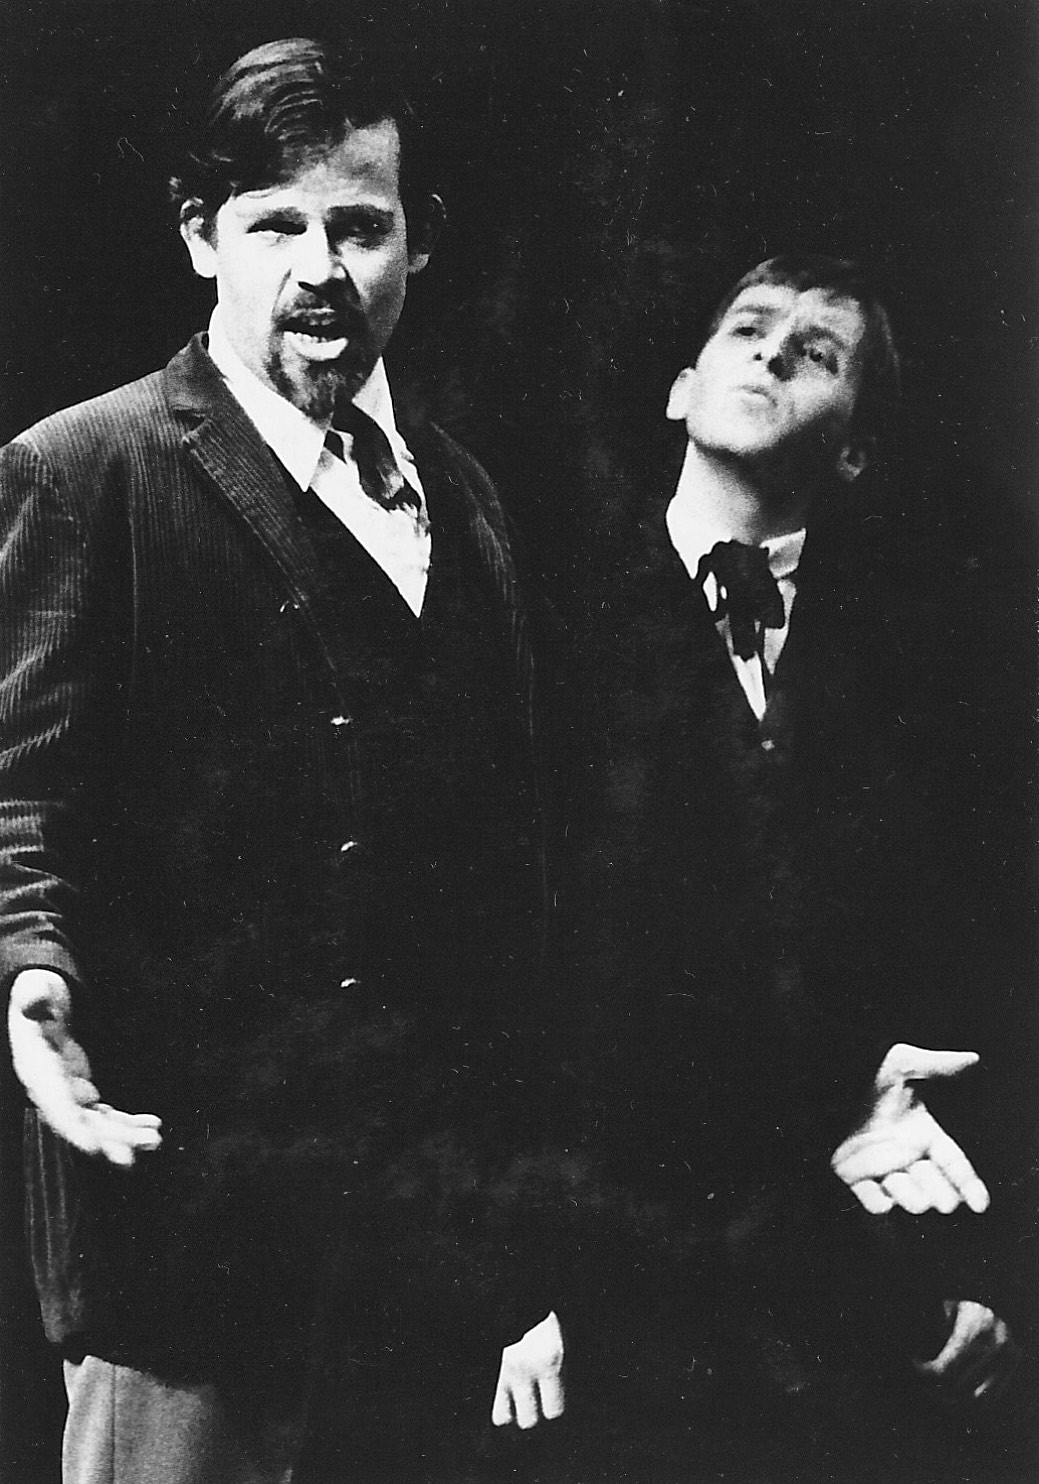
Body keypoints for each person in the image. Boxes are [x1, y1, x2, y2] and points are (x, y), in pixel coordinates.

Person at [0, 36, 563, 1484]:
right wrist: (32, 972)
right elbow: (20, 794)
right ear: (202, 238)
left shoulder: (466, 496)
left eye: (359, 226)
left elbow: (503, 875)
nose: (320, 268)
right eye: (274, 226)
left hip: (422, 1259)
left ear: (417, 244)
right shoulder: (86, 470)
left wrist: (512, 1237)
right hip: (190, 1247)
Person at [564, 255, 1027, 1477]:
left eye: (816, 352)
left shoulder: (926, 675)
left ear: (856, 449)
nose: (771, 352)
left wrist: (965, 1265)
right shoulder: (550, 626)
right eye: (748, 329)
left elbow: (977, 971)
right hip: (624, 1287)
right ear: (680, 389)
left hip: (856, 1313)